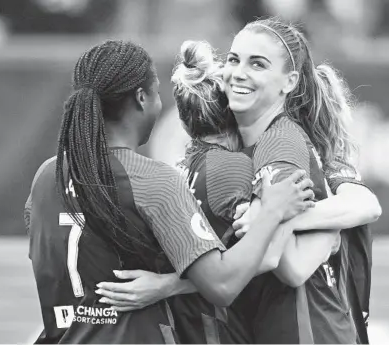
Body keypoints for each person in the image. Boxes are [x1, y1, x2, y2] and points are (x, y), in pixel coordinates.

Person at [97, 29, 381, 344]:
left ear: (290, 82)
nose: (238, 73)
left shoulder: (279, 143)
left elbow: (297, 262)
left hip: (309, 330)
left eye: (257, 64)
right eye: (233, 59)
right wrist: (286, 219)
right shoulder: (241, 156)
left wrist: (277, 217)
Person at [23, 40, 314, 344]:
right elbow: (223, 286)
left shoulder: (46, 174)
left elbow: (43, 252)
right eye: (157, 93)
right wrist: (271, 211)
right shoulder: (153, 180)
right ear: (141, 98)